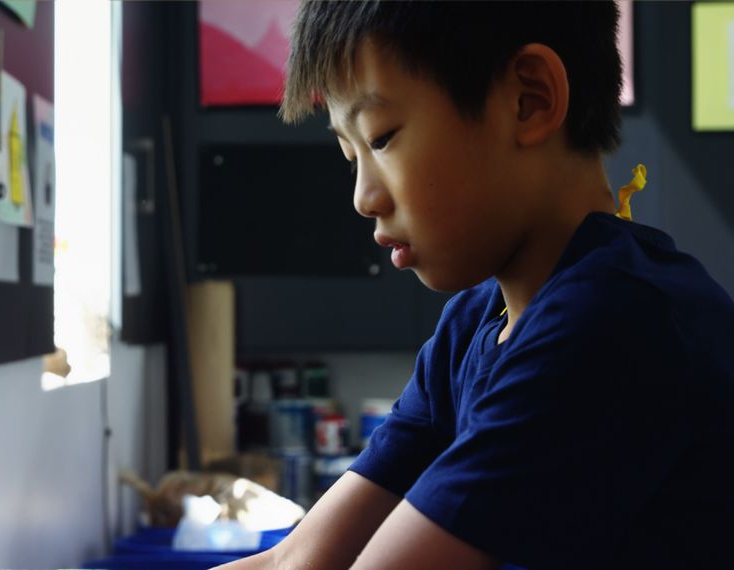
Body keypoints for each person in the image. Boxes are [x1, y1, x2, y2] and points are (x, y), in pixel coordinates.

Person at [218, 1, 734, 568]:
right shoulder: (473, 328)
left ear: (528, 100)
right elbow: (295, 561)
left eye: (382, 138)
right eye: (351, 156)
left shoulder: (613, 324)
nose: (364, 197)